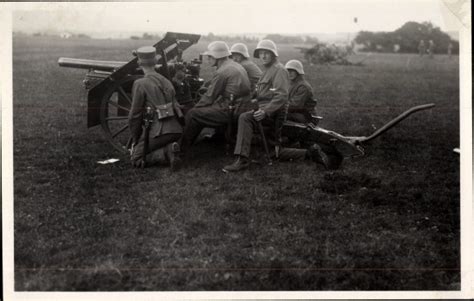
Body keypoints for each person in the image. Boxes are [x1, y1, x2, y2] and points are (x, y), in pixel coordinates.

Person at [179, 41, 251, 154]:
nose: (208, 59)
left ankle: (181, 149)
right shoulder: (235, 65)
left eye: (210, 56)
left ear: (217, 56)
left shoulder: (222, 71)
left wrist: (194, 107)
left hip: (233, 108)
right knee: (201, 111)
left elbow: (209, 97)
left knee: (193, 114)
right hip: (243, 106)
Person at [128, 46, 183, 169]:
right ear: (155, 62)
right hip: (177, 130)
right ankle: (171, 147)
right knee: (153, 144)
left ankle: (167, 152)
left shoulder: (140, 83)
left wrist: (136, 139)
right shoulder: (167, 81)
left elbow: (134, 116)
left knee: (136, 158)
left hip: (158, 132)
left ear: (138, 63)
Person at [285, 59, 317, 124]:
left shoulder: (303, 87)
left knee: (278, 115)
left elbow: (295, 105)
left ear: (298, 72)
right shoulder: (290, 84)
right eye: (288, 71)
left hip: (306, 116)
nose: (289, 73)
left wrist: (277, 106)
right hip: (295, 113)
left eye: (292, 71)